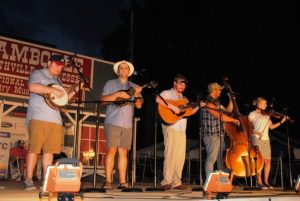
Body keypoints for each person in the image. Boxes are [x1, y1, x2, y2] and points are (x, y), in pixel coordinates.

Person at [24, 54, 79, 190]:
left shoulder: (58, 81)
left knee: (49, 152)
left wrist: (76, 90)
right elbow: (32, 87)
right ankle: (29, 180)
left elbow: (62, 102)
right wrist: (53, 90)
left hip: (55, 120)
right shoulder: (38, 74)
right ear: (49, 63)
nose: (59, 68)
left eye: (61, 67)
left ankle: (46, 181)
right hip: (38, 117)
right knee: (34, 150)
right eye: (56, 65)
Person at [100, 60, 143, 190]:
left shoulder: (134, 86)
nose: (123, 70)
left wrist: (136, 95)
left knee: (123, 152)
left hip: (127, 124)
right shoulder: (110, 83)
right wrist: (117, 94)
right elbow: (102, 100)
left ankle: (123, 181)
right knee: (111, 150)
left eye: (126, 68)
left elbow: (139, 106)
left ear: (129, 72)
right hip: (113, 121)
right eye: (121, 68)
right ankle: (108, 181)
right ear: (118, 71)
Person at [156, 74, 201, 190]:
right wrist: (173, 107)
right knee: (170, 154)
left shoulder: (184, 99)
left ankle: (176, 181)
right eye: (180, 83)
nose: (182, 85)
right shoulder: (167, 93)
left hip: (182, 129)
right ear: (174, 83)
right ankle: (166, 181)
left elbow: (188, 113)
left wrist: (198, 106)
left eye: (184, 84)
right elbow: (158, 99)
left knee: (180, 156)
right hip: (171, 126)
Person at [200, 82, 239, 181]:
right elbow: (219, 116)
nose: (221, 91)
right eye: (220, 90)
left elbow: (228, 112)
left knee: (220, 160)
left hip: (219, 134)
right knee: (211, 158)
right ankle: (209, 181)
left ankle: (221, 181)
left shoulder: (217, 103)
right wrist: (233, 120)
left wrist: (231, 99)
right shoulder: (207, 102)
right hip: (211, 135)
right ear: (214, 90)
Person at [248, 97, 288, 189]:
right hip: (257, 139)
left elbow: (272, 127)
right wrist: (256, 132)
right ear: (258, 104)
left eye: (266, 104)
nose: (266, 105)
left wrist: (282, 121)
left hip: (266, 139)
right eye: (264, 103)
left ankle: (266, 181)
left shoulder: (266, 115)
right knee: (260, 161)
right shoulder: (252, 114)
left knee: (268, 161)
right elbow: (247, 127)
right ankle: (259, 181)